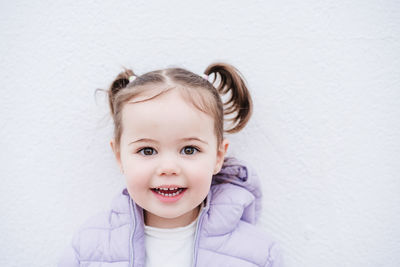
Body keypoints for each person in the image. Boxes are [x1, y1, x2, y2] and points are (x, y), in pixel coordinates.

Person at [58, 63, 283, 267]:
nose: (168, 167)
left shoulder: (259, 254)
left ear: (218, 157)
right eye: (147, 150)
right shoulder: (88, 248)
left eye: (189, 150)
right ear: (119, 157)